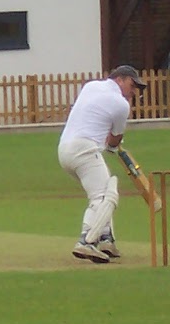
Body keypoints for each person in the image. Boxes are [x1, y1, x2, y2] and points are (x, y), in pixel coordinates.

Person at [62, 65, 149, 263]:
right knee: (104, 196)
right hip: (85, 148)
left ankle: (106, 239)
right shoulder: (121, 104)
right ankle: (86, 241)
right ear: (119, 79)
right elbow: (114, 140)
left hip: (65, 149)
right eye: (132, 85)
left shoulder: (91, 86)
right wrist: (111, 145)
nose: (134, 92)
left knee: (102, 186)